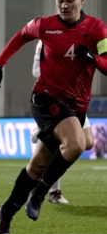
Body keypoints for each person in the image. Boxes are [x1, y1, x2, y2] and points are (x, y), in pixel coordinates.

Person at [0, 0, 107, 234]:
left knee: (38, 164)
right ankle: (41, 193)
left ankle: (6, 212)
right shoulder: (45, 25)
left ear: (82, 0)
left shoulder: (96, 29)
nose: (64, 5)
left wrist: (92, 58)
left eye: (70, 0)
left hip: (76, 106)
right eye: (60, 0)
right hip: (45, 98)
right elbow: (20, 37)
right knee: (77, 143)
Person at [32, 40, 95, 204]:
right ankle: (53, 192)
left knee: (88, 142)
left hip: (77, 99)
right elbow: (36, 70)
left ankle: (41, 132)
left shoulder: (87, 38)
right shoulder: (48, 38)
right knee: (63, 144)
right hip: (57, 100)